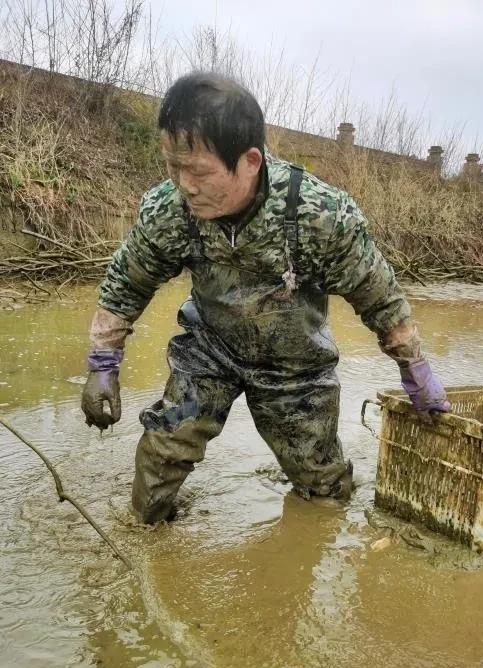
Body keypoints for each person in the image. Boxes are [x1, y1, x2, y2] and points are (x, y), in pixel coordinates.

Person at [81, 72, 450, 524]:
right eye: (173, 167)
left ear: (250, 161)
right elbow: (126, 283)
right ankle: (147, 538)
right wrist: (103, 364)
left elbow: (379, 296)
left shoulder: (321, 215)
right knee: (161, 456)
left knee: (324, 493)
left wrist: (415, 368)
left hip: (295, 368)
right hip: (210, 352)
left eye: (198, 172)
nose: (185, 185)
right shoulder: (170, 211)